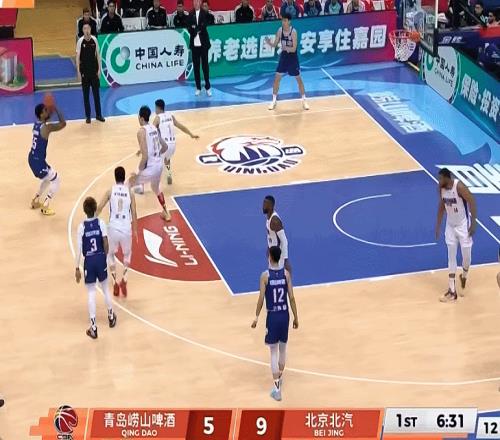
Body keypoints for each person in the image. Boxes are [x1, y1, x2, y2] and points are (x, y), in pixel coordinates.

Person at [251, 246, 298, 402]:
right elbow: (291, 297)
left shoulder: (265, 276)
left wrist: (256, 317)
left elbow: (261, 298)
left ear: (270, 257)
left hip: (272, 316)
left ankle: (277, 390)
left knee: (273, 352)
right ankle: (280, 377)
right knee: (283, 348)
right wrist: (296, 317)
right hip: (285, 315)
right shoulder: (286, 274)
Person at [75, 196, 117, 340]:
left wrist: (77, 268)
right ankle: (111, 316)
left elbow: (79, 249)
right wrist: (104, 259)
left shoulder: (81, 227)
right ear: (95, 209)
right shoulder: (101, 223)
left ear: (84, 210)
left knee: (91, 292)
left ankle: (93, 327)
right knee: (105, 289)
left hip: (89, 260)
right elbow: (105, 243)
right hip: (100, 258)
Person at [435, 168, 477, 303]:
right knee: (451, 256)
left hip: (463, 225)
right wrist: (438, 225)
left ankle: (464, 275)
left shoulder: (459, 187)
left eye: (441, 178)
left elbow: (472, 201)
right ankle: (452, 291)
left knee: (466, 257)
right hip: (450, 226)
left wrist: (473, 223)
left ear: (447, 178)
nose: (439, 181)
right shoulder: (441, 189)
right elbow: (442, 205)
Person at [96, 166, 138, 297]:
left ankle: (114, 282)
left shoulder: (110, 191)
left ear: (115, 177)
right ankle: (124, 279)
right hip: (126, 228)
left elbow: (100, 207)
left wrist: (92, 220)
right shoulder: (130, 192)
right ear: (124, 178)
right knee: (127, 254)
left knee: (110, 254)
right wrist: (135, 230)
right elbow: (134, 212)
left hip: (113, 228)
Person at [129, 106, 171, 221]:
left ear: (141, 118)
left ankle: (126, 215)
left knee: (127, 185)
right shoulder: (154, 128)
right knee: (155, 188)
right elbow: (165, 147)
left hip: (151, 168)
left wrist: (137, 173)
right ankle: (166, 212)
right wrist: (156, 155)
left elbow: (145, 157)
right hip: (159, 166)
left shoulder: (141, 131)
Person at [28, 103, 66, 216]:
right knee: (56, 179)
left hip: (32, 158)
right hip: (38, 162)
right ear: (41, 114)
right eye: (45, 110)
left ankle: (35, 200)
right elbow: (63, 123)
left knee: (46, 178)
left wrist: (49, 112)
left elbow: (46, 121)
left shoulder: (36, 125)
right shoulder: (46, 128)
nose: (47, 111)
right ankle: (45, 205)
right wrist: (56, 108)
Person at [265, 13, 308, 111]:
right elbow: (275, 44)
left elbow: (294, 48)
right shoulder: (280, 30)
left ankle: (304, 100)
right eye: (282, 20)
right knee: (277, 78)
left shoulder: (293, 32)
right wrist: (269, 43)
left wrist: (285, 48)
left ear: (289, 21)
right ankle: (274, 100)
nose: (283, 22)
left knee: (299, 79)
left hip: (292, 58)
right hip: (284, 57)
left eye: (285, 20)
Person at [153, 99, 199, 186]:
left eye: (155, 108)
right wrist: (191, 134)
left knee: (155, 161)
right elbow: (181, 127)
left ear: (158, 108)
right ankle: (169, 174)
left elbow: (151, 131)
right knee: (167, 159)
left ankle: (156, 182)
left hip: (165, 146)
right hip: (173, 146)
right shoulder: (171, 116)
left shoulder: (157, 118)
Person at [76, 24, 105, 124]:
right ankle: (88, 116)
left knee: (96, 95)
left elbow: (98, 55)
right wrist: (78, 71)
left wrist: (99, 70)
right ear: (82, 30)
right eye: (85, 29)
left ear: (90, 29)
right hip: (85, 73)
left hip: (94, 72)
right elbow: (77, 57)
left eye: (88, 28)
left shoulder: (94, 40)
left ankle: (98, 115)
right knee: (86, 96)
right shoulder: (80, 41)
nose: (87, 30)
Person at [188, 0, 212, 96]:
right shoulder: (190, 14)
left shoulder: (204, 13)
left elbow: (204, 25)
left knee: (205, 67)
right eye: (194, 1)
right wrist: (195, 31)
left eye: (197, 1)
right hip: (194, 46)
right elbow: (189, 27)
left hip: (203, 45)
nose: (196, 3)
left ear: (200, 2)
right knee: (196, 67)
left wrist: (196, 28)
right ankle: (198, 87)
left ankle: (208, 87)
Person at [263, 195, 291, 273]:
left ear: (271, 206)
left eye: (266, 204)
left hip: (278, 255)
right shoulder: (268, 218)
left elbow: (284, 240)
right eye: (263, 203)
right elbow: (271, 236)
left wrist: (285, 259)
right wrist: (269, 248)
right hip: (272, 253)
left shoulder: (275, 221)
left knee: (278, 276)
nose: (263, 206)